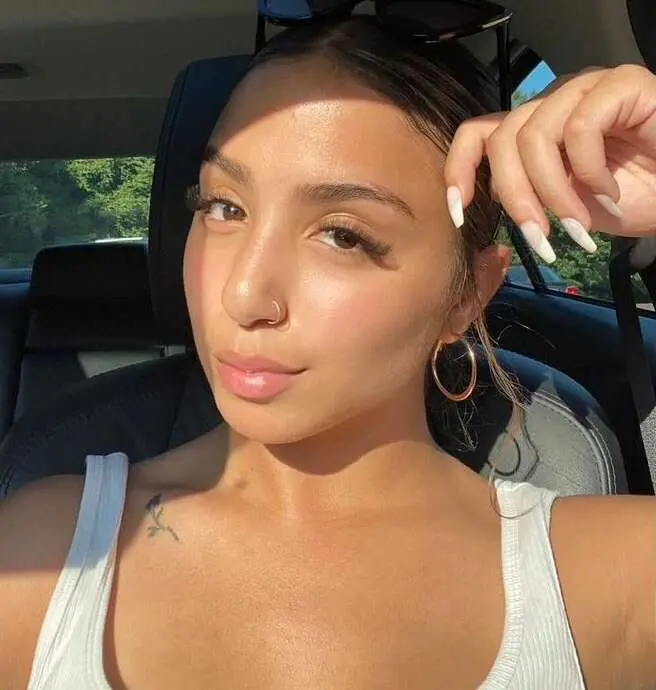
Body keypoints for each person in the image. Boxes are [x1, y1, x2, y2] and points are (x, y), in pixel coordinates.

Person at [1, 15, 655, 690]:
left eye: (343, 235)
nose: (243, 295)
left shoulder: (609, 574)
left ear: (467, 296)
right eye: (223, 207)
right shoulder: (41, 548)